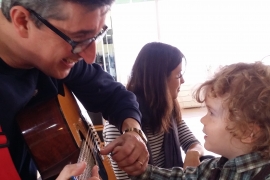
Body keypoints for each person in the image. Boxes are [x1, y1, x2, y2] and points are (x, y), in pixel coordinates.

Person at [0, 0, 148, 179]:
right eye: (79, 38)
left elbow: (114, 95)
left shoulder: (50, 58)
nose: (90, 57)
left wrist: (133, 131)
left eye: (96, 36)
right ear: (23, 21)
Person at [130, 61, 270, 179]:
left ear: (247, 131)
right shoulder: (216, 167)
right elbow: (181, 177)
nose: (203, 120)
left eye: (211, 113)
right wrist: (141, 171)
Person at [103, 42, 206, 179]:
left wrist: (193, 152)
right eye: (178, 75)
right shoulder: (121, 124)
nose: (183, 80)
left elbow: (193, 143)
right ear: (160, 79)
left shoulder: (167, 108)